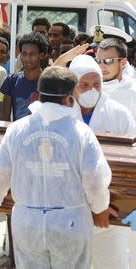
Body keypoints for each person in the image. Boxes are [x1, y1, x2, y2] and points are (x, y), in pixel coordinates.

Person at [0, 65, 112, 269]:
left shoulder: (17, 130)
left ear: (38, 95)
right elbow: (94, 179)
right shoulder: (81, 133)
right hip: (70, 222)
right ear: (70, 97)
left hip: (27, 222)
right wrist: (100, 209)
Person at [69, 54, 135, 269]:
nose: (91, 89)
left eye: (96, 84)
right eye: (84, 84)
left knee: (111, 262)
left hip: (111, 211)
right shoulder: (62, 114)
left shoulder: (119, 113)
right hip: (71, 210)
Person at [0, 32, 48, 121]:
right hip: (19, 133)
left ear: (41, 55)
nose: (28, 58)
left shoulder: (50, 82)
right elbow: (2, 116)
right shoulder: (11, 80)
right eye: (24, 54)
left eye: (32, 54)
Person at [97, 38, 136, 120]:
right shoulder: (90, 88)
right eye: (98, 61)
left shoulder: (133, 91)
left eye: (108, 60)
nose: (102, 66)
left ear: (123, 63)